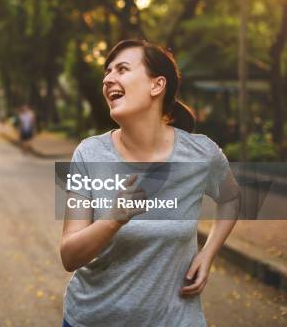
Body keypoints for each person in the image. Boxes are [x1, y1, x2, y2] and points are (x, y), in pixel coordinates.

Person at [60, 40, 239, 326]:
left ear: (157, 86)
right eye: (107, 72)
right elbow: (69, 256)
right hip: (93, 318)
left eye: (122, 69)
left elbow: (231, 198)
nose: (108, 79)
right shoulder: (89, 153)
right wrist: (113, 220)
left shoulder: (200, 153)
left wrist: (208, 254)